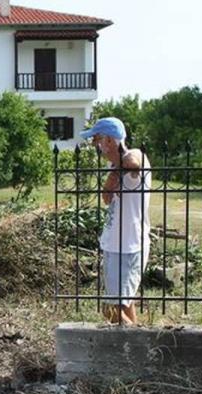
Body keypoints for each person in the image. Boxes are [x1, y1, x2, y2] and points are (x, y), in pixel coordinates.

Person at [80, 118, 151, 325]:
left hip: (129, 245)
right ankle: (133, 347)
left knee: (110, 308)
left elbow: (133, 163)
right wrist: (112, 175)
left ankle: (138, 347)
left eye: (97, 139)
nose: (95, 145)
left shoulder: (135, 154)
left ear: (110, 140)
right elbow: (107, 198)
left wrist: (114, 172)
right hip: (115, 243)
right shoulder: (113, 165)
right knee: (124, 303)